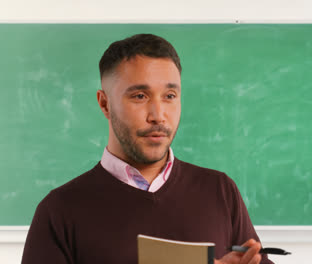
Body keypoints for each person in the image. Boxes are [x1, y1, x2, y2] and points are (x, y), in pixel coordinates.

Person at [22, 34, 273, 264]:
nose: (158, 115)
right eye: (140, 96)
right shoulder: (59, 210)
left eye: (170, 96)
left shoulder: (220, 191)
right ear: (105, 104)